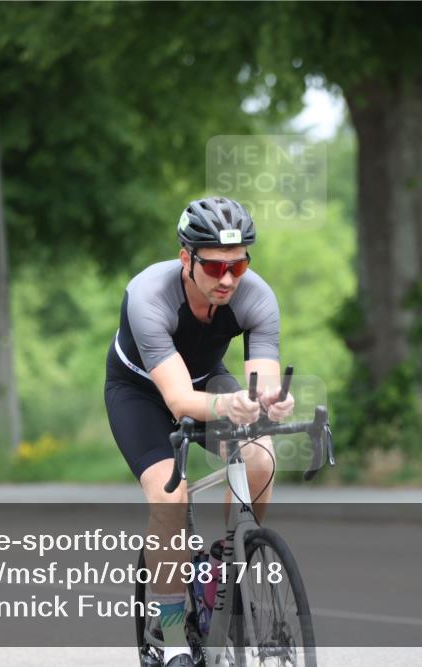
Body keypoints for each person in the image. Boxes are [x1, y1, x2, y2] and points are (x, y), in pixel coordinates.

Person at [104, 196, 294, 667]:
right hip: (142, 392)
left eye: (239, 264)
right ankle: (170, 640)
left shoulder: (257, 296)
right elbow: (177, 400)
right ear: (186, 258)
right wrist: (230, 404)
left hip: (208, 378)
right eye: (214, 267)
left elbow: (261, 380)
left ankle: (224, 566)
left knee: (259, 456)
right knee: (171, 497)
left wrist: (272, 401)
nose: (228, 279)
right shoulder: (148, 296)